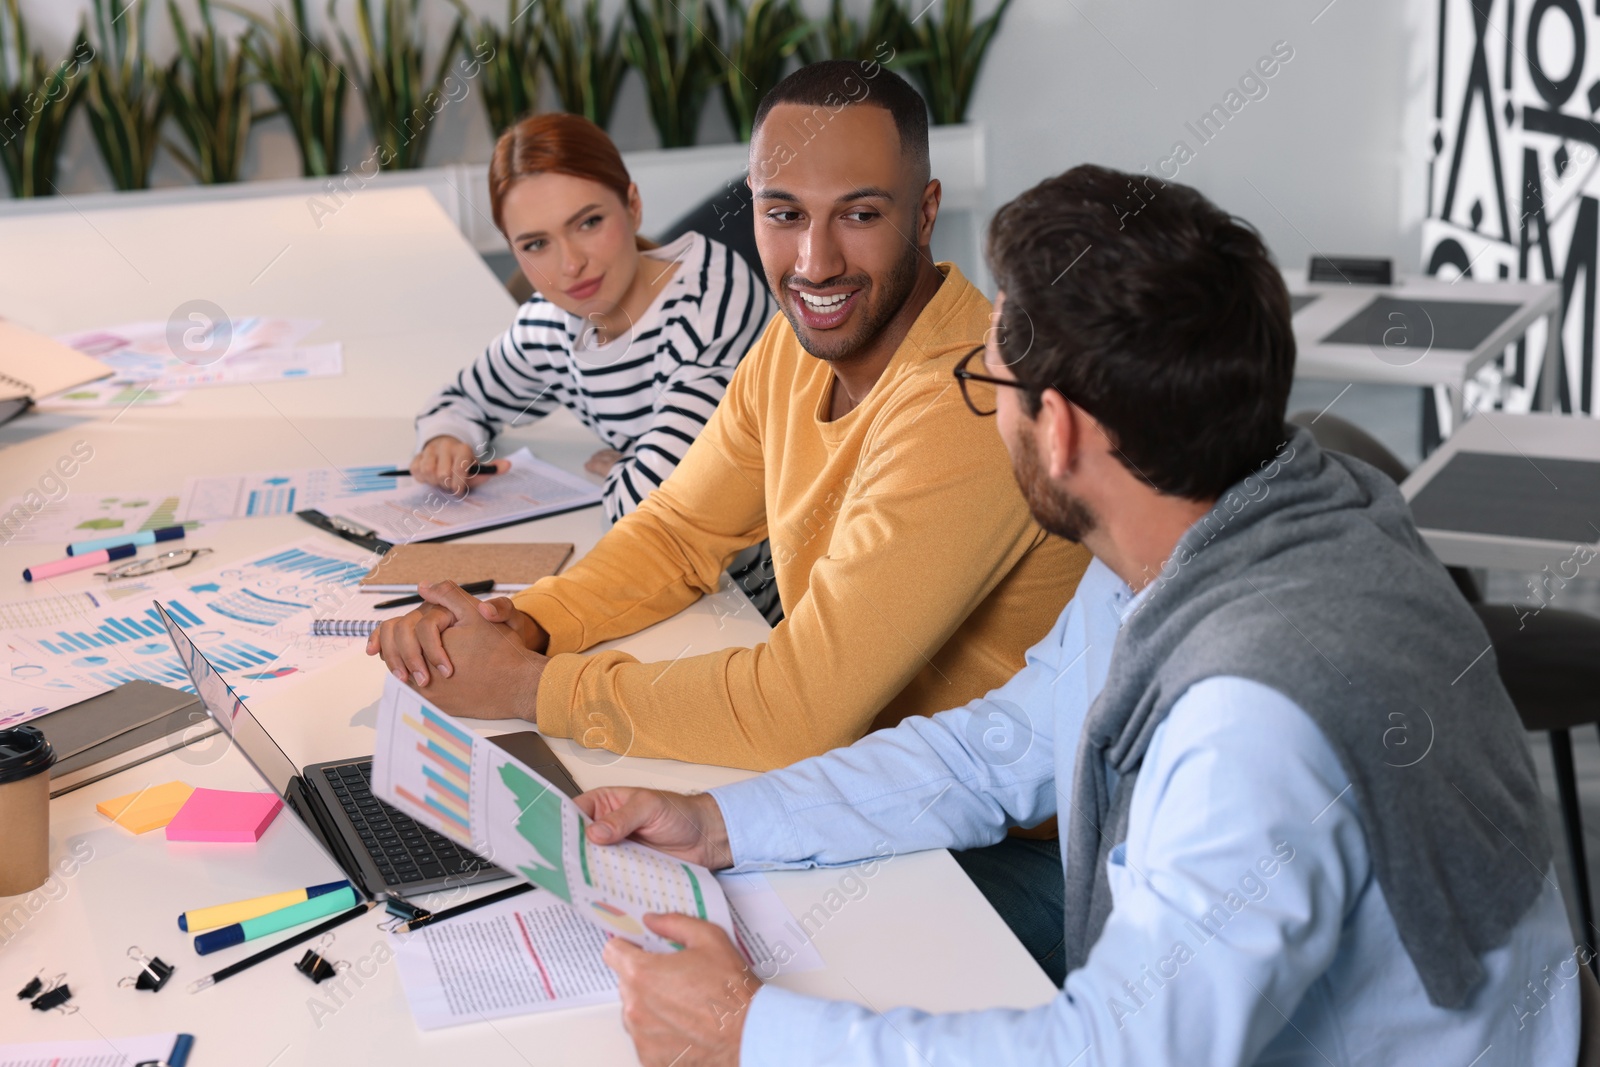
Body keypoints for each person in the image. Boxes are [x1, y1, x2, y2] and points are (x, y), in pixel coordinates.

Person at [572, 165, 1580, 1066]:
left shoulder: (1254, 719)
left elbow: (1116, 1050)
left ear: (1056, 428)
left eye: (989, 376)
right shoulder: (1217, 507)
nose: (986, 402)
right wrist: (718, 822)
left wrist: (746, 1034)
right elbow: (993, 748)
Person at [369, 62, 1089, 779]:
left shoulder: (972, 397)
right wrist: (522, 624)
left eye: (861, 214)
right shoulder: (794, 341)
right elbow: (679, 531)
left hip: (986, 841)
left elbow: (797, 710)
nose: (816, 262)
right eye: (784, 214)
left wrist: (526, 686)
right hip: (878, 772)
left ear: (925, 211)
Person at [409, 112, 775, 526]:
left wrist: (634, 470)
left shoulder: (714, 303)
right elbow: (460, 400)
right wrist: (447, 441)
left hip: (762, 573)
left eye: (588, 222)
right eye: (536, 243)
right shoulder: (551, 324)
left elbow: (661, 508)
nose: (570, 265)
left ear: (632, 206)